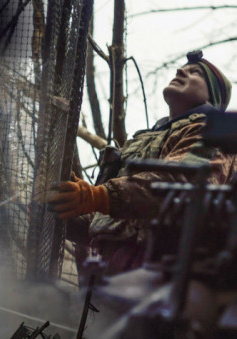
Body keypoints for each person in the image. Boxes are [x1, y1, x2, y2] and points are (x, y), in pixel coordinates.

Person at [47, 50, 235, 277]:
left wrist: (99, 196)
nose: (179, 71)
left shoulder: (213, 131)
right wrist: (64, 207)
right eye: (182, 69)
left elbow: (183, 183)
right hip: (113, 269)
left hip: (164, 269)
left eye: (194, 73)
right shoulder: (146, 137)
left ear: (211, 96)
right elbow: (113, 219)